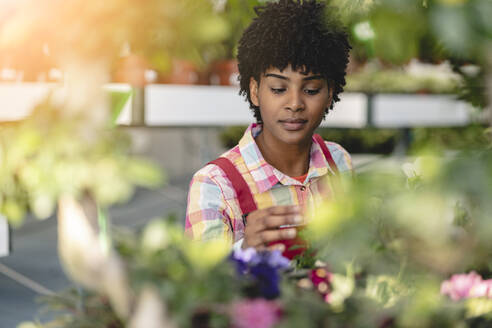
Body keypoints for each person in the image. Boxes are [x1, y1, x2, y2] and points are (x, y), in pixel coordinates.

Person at [185, 0, 353, 256]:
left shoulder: (339, 162)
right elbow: (201, 285)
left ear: (330, 94)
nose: (295, 103)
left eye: (311, 90)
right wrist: (244, 250)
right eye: (278, 89)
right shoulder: (215, 185)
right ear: (254, 91)